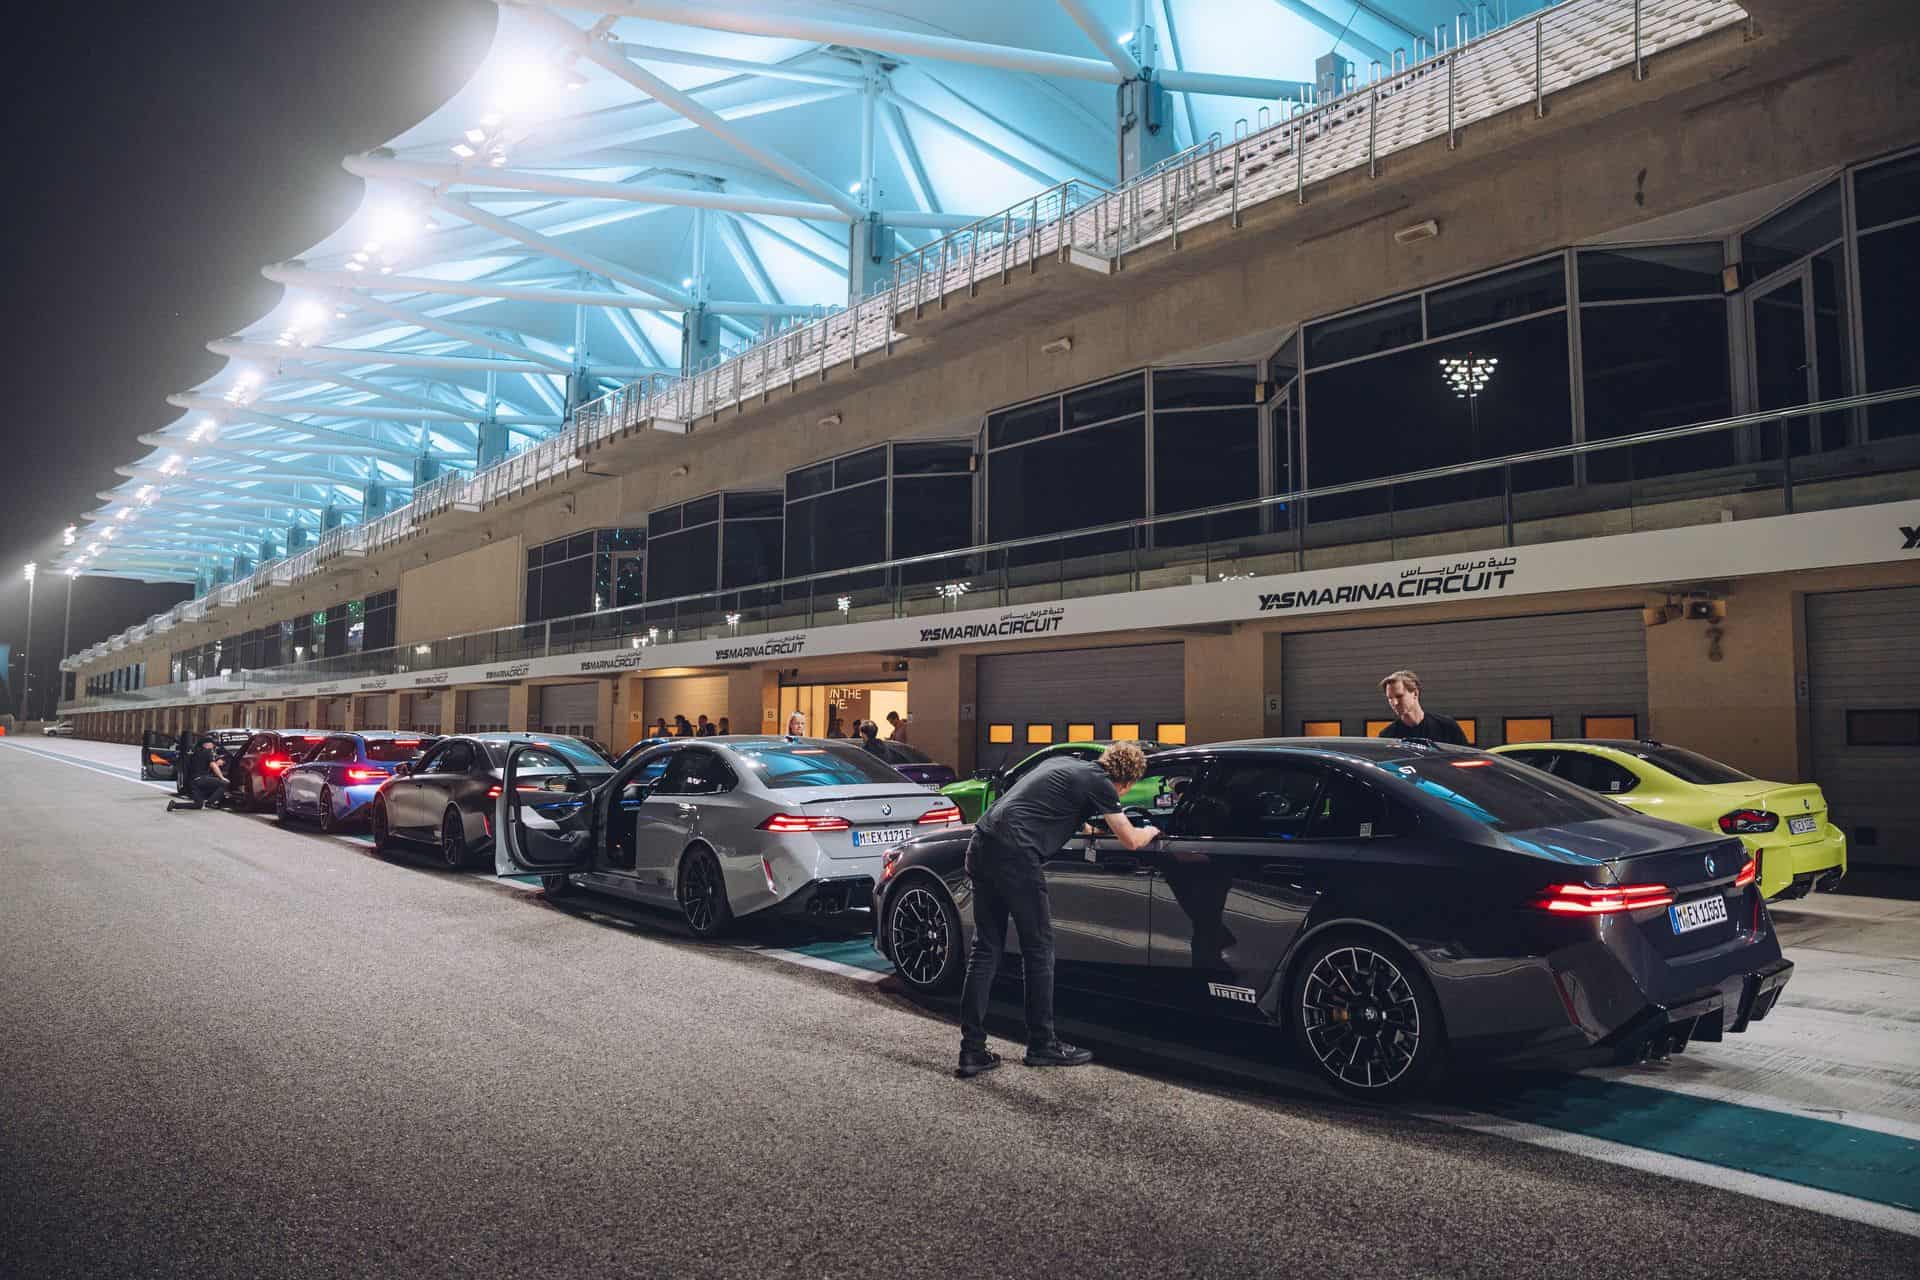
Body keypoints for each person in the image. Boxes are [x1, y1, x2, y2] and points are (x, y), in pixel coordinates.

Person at [955, 741, 1159, 1079]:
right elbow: (1132, 840)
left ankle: (971, 1050)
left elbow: (1046, 807)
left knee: (985, 949)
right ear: (1126, 782)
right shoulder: (1102, 784)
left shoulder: (1065, 764)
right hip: (1016, 857)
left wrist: (1089, 827)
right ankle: (1042, 1044)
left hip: (982, 845)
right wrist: (1150, 830)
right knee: (1038, 950)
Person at [1375, 669, 1469, 746]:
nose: (1394, 703)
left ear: (1415, 693)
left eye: (1399, 696)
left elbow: (1467, 759)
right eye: (1390, 698)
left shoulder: (1447, 726)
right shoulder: (1387, 736)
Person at [167, 734, 229, 812]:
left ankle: (175, 805)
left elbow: (200, 764)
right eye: (211, 744)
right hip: (201, 779)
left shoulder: (194, 752)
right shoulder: (207, 752)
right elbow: (213, 766)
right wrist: (222, 777)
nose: (213, 746)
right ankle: (210, 803)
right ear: (205, 744)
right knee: (224, 784)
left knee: (198, 804)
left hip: (192, 782)